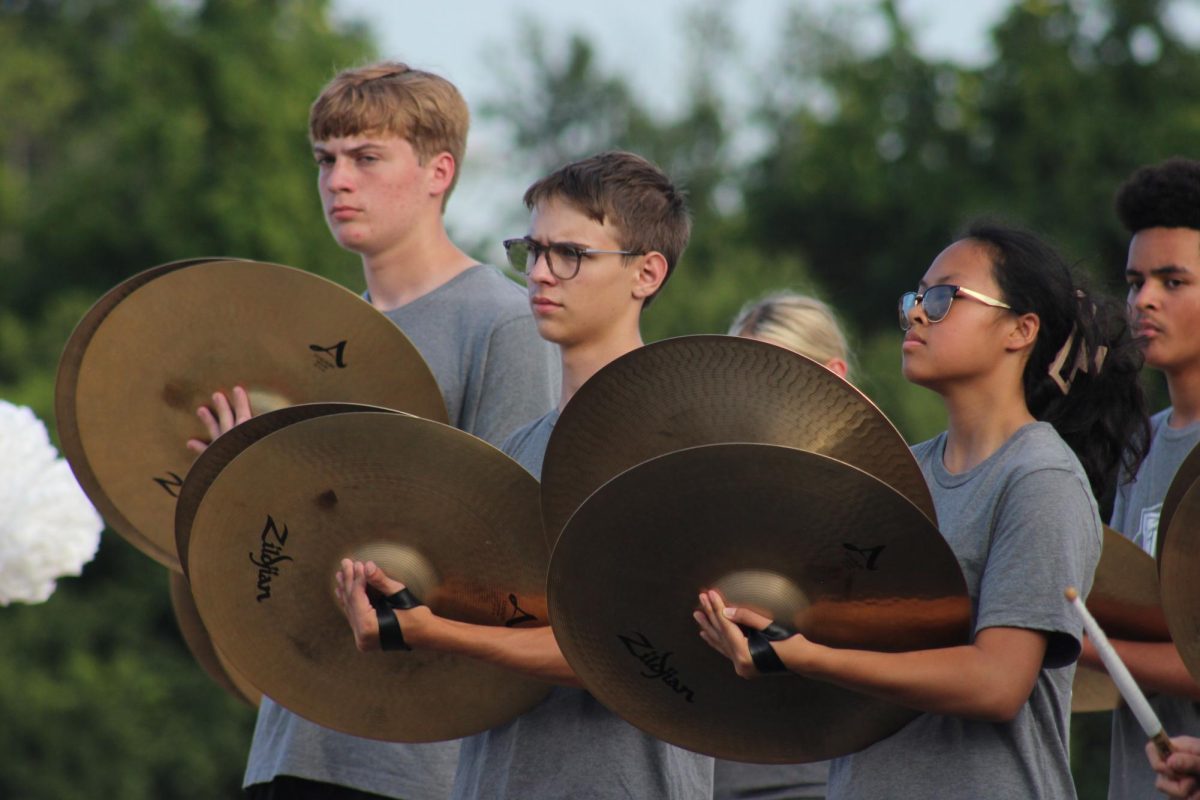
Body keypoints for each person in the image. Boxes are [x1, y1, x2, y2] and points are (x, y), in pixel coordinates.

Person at [188, 62, 557, 800]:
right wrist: (237, 478)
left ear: (437, 172)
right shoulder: (310, 338)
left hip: (421, 759)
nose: (337, 181)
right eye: (325, 159)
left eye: (366, 157)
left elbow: (511, 548)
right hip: (293, 735)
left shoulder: (505, 323)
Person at [695, 222, 1149, 799]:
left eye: (944, 299)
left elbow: (996, 683)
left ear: (1020, 329)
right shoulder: (896, 474)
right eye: (916, 297)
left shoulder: (1040, 478)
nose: (915, 314)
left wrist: (811, 656)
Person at [334, 150, 714, 799]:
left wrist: (435, 630)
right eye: (530, 250)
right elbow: (498, 632)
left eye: (569, 254)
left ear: (646, 272)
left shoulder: (675, 447)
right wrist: (393, 600)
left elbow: (625, 651)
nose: (539, 273)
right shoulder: (514, 452)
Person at [1083, 157, 1200, 800]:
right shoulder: (1138, 443)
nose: (1143, 300)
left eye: (1173, 280)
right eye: (1135, 281)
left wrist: (1084, 643)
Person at [716, 291, 853, 800]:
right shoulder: (709, 492)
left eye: (774, 376)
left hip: (817, 775)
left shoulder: (880, 504)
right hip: (708, 766)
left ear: (833, 375)